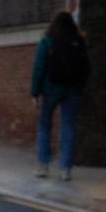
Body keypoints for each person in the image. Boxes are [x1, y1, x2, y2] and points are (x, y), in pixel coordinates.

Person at [31, 10, 89, 181]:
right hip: (72, 89)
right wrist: (79, 86)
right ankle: (65, 170)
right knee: (68, 127)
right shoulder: (79, 40)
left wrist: (35, 92)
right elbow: (86, 67)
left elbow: (39, 68)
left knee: (44, 126)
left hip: (51, 89)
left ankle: (43, 166)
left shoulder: (47, 41)